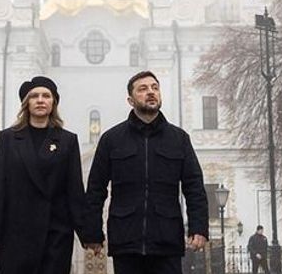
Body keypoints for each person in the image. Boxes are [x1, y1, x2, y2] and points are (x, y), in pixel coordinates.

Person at [83, 70, 209, 274]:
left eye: (155, 88)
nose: (151, 92)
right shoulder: (112, 139)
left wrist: (199, 227)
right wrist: (92, 232)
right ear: (130, 100)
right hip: (126, 239)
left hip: (166, 239)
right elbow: (96, 189)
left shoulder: (179, 139)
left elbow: (194, 186)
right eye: (142, 89)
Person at [0, 76, 86, 273]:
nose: (40, 100)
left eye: (46, 96)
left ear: (53, 103)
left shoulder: (67, 140)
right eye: (34, 96)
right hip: (14, 235)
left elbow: (74, 190)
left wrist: (88, 235)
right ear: (26, 103)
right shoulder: (8, 138)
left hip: (55, 234)